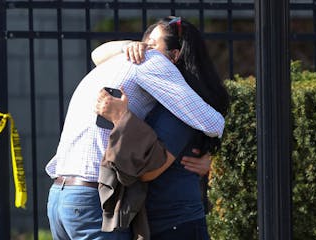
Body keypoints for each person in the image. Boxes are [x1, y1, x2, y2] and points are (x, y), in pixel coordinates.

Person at [45, 17, 225, 239]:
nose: (146, 47)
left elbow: (96, 54)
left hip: (59, 197)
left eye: (152, 43)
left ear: (176, 54)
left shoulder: (114, 63)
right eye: (146, 42)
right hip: (93, 199)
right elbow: (213, 123)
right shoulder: (153, 60)